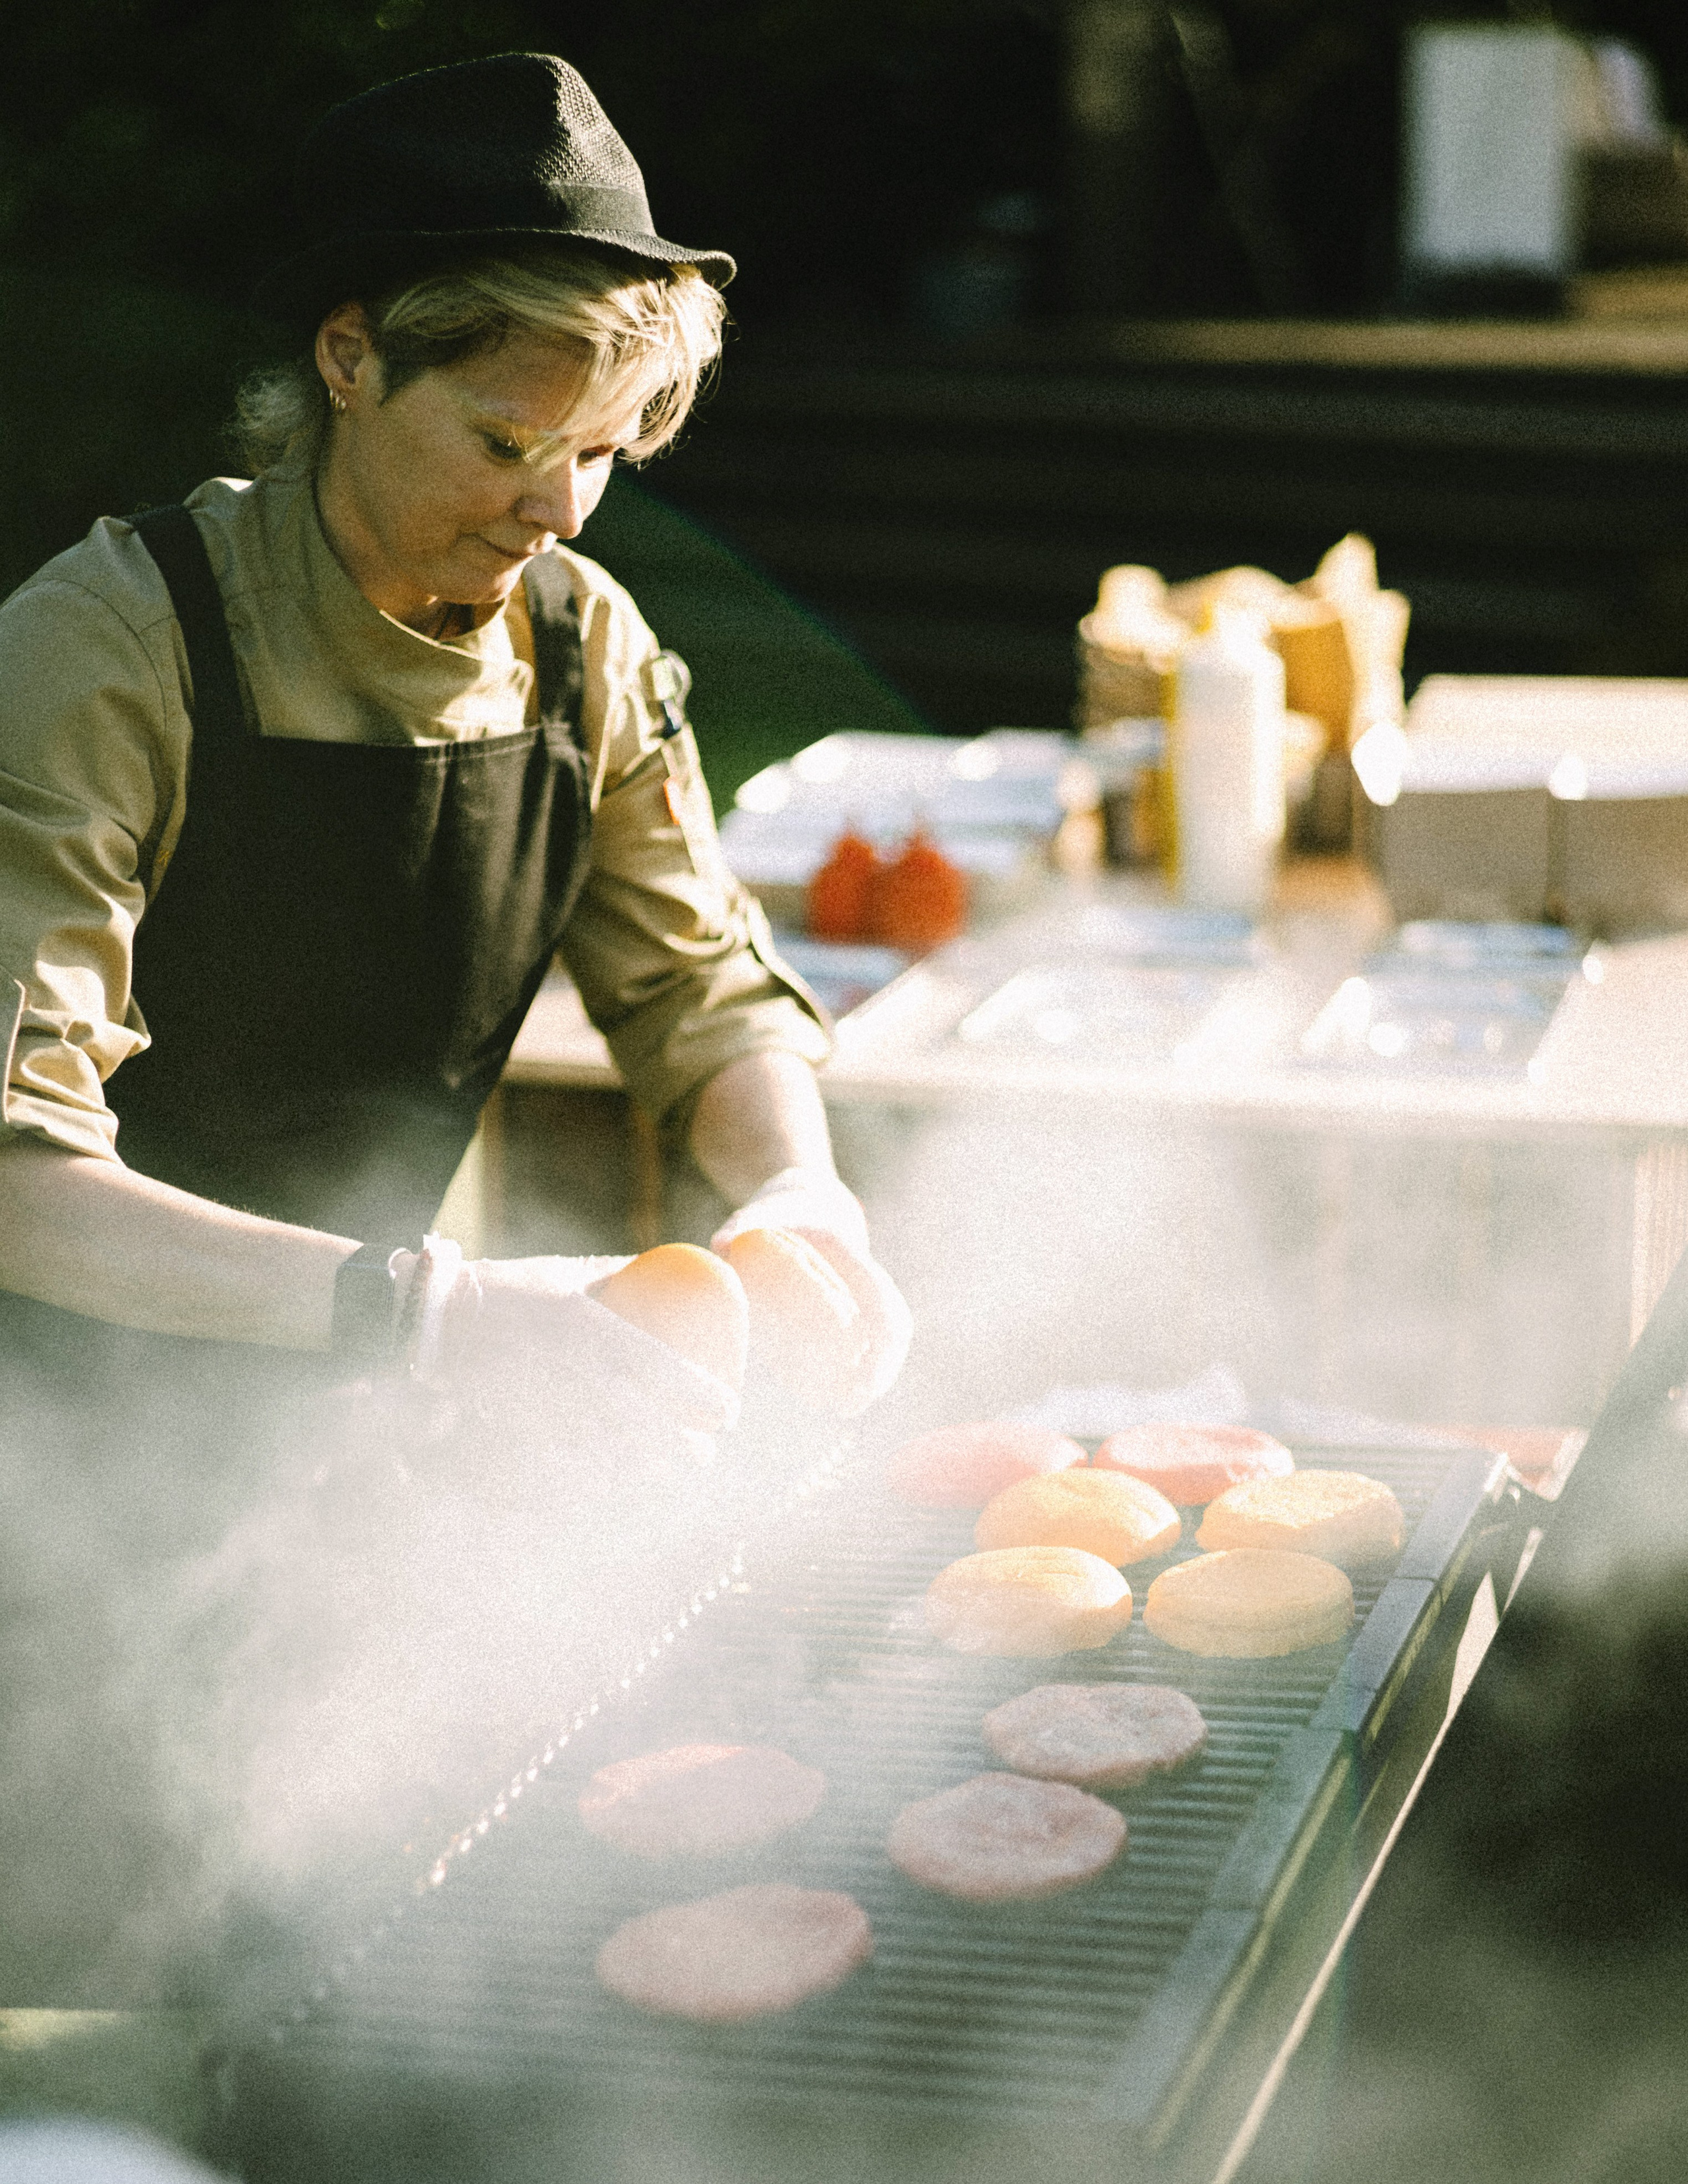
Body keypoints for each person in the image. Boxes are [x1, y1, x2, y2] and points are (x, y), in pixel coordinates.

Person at [0, 51, 909, 1438]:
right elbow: (14, 1171)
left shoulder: (578, 643)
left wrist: (800, 1190)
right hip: (53, 1450)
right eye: (505, 441)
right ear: (349, 359)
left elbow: (698, 994)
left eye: (601, 453)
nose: (561, 508)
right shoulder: (106, 650)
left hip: (356, 1418)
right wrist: (424, 1311)